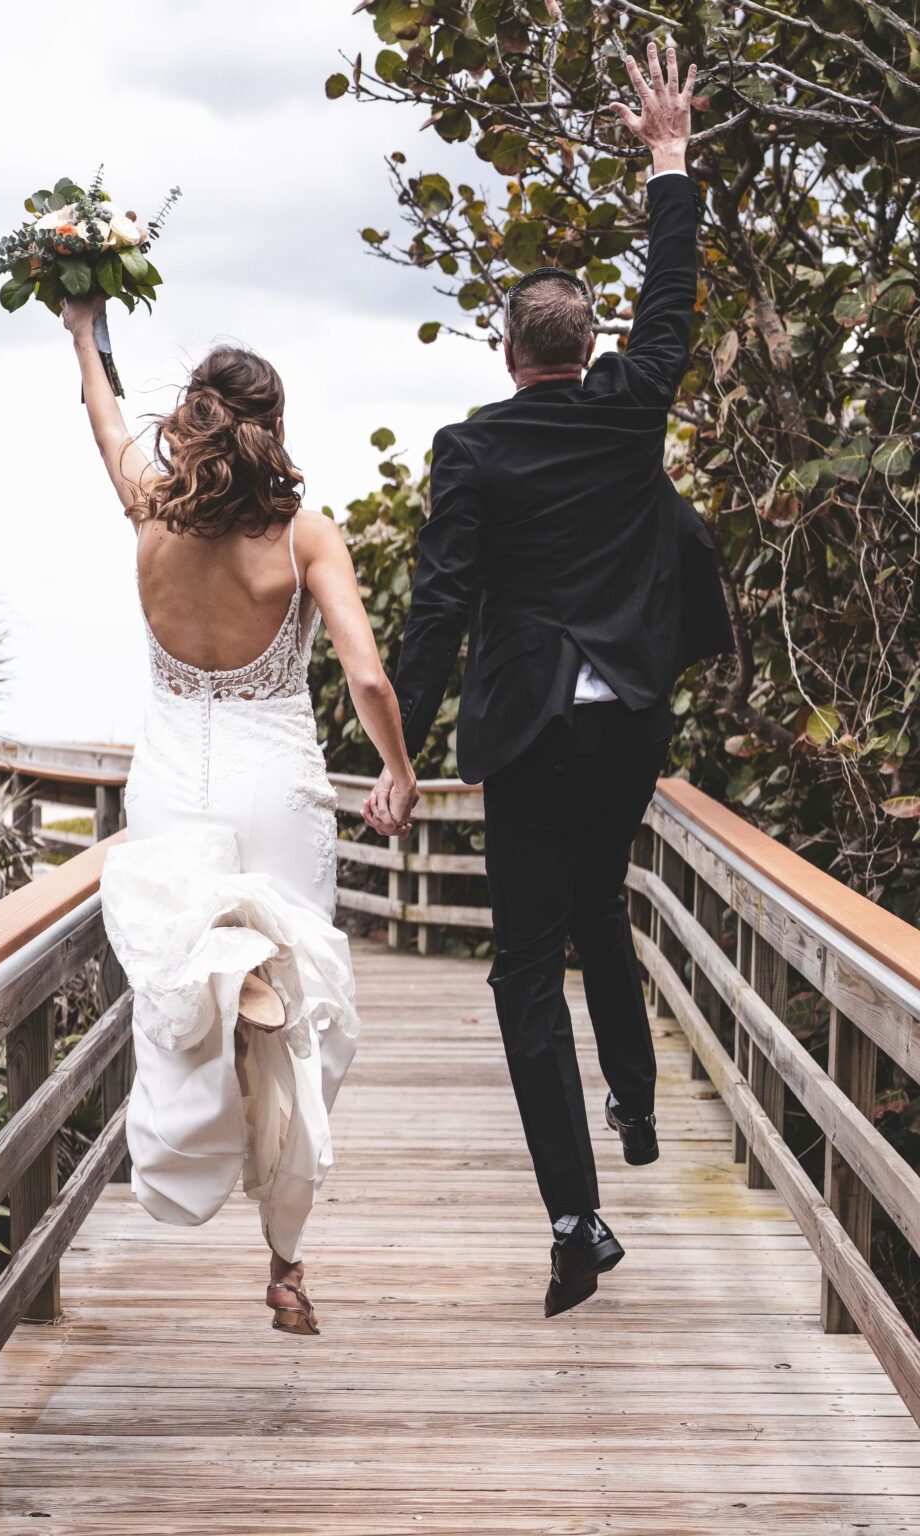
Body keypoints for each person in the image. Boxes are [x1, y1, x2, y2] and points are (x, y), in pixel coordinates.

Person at [365, 43, 734, 1318]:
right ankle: (633, 1099)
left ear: (505, 345)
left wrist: (398, 755)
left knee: (528, 966)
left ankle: (576, 1216)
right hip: (626, 720)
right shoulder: (630, 410)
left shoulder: (470, 450)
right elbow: (674, 297)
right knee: (602, 907)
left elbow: (438, 609)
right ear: (587, 348)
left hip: (524, 729)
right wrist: (666, 155)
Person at [59, 307, 418, 1334]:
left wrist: (84, 332)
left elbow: (103, 414)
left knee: (178, 978)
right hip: (275, 782)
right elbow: (366, 673)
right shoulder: (302, 533)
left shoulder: (148, 510)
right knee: (307, 1014)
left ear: (197, 419)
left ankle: (222, 991)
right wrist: (396, 773)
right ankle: (286, 1258)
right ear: (273, 424)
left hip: (173, 781)